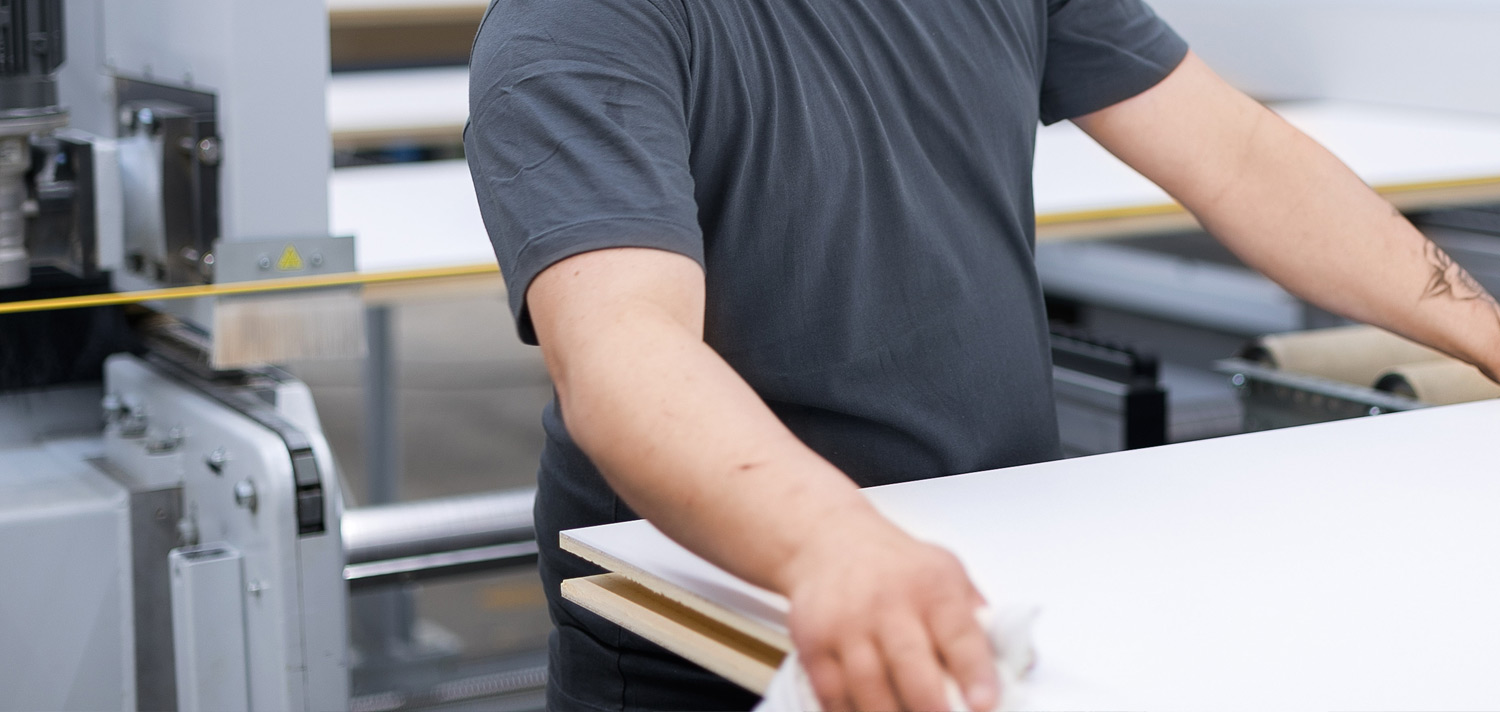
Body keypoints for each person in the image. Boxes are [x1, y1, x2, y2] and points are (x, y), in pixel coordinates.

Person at [463, 0, 1500, 709]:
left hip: (996, 569)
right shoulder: (578, 23)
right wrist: (836, 544)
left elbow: (1239, 156)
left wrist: (1487, 334)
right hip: (729, 614)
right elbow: (623, 349)